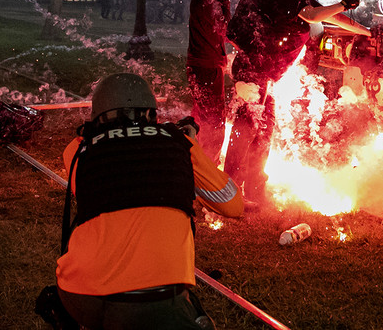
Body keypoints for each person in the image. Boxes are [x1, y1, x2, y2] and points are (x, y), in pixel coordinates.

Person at [55, 72, 244, 330]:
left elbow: (109, 184)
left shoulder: (77, 149)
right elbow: (232, 205)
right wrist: (191, 151)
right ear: (151, 112)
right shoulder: (180, 143)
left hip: (80, 295)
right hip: (156, 302)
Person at [224, 0, 370, 203]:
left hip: (263, 75)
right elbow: (314, 16)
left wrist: (368, 31)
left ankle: (254, 191)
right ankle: (230, 190)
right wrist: (343, 4)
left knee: (264, 129)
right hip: (254, 73)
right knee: (248, 128)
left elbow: (329, 17)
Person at [185, 0, 235, 163]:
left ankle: (195, 162)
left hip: (201, 65)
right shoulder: (210, 0)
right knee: (214, 121)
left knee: (202, 117)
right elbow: (226, 29)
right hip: (206, 67)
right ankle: (208, 167)